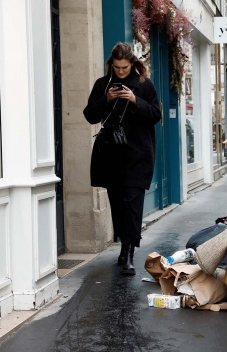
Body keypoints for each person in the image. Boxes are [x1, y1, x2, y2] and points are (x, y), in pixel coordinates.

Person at [83, 42, 161, 275]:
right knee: (118, 204)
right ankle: (123, 246)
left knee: (132, 202)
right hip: (111, 154)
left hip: (138, 154)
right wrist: (106, 99)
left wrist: (135, 100)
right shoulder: (103, 84)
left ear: (133, 64)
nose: (121, 72)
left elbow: (156, 114)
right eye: (117, 67)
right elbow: (89, 115)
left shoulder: (143, 85)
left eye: (125, 67)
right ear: (112, 64)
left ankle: (128, 252)